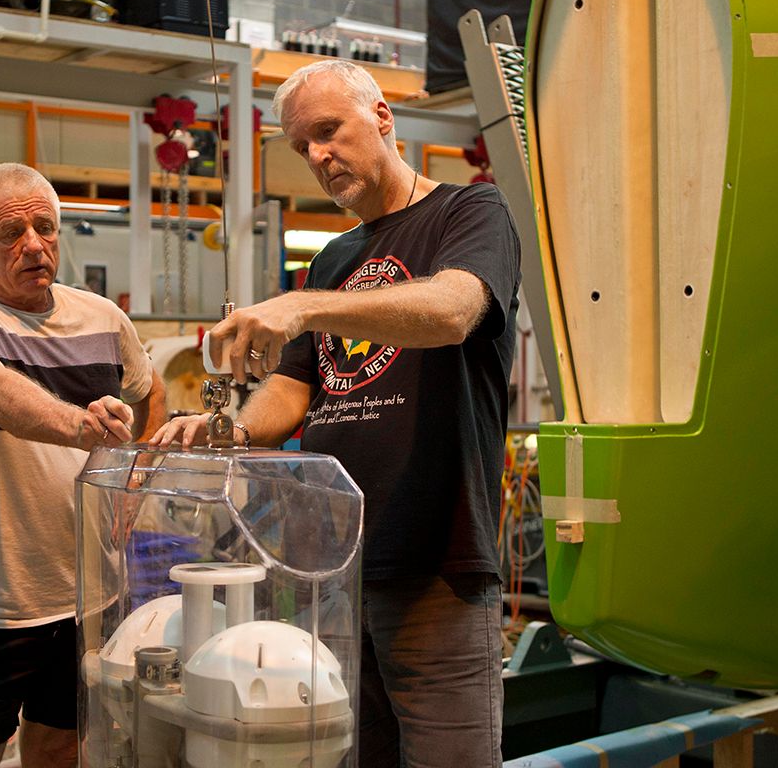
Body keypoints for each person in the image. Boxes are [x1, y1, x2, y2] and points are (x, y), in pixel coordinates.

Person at [151, 60, 520, 767]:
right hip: (329, 569)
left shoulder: (471, 211)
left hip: (434, 561)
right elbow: (294, 392)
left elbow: (452, 310)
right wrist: (225, 429)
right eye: (303, 147)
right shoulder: (334, 259)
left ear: (382, 116)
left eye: (329, 131)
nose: (319, 155)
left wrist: (300, 305)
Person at [0, 163, 166, 768]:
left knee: (59, 746)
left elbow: (146, 391)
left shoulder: (103, 317)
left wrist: (131, 477)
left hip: (85, 596)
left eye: (45, 229)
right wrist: (81, 426)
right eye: (12, 234)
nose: (34, 246)